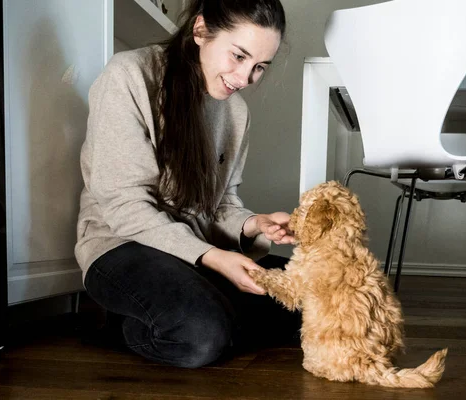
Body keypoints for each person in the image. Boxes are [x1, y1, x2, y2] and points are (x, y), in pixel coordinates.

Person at [74, 0, 300, 368]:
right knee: (201, 335)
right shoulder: (130, 75)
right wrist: (215, 259)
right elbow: (124, 206)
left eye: (259, 67)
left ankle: (204, 313)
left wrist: (253, 224)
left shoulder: (235, 112)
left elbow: (221, 202)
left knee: (309, 295)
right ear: (200, 31)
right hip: (121, 244)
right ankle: (137, 323)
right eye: (238, 56)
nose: (244, 79)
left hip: (195, 251)